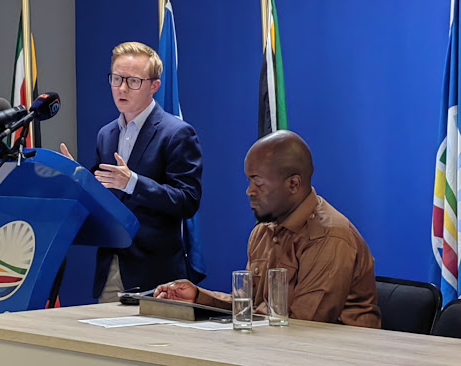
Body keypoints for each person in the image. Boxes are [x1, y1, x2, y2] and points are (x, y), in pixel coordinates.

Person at [155, 130, 380, 328]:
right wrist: (198, 297)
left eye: (258, 183)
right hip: (282, 352)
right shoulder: (263, 232)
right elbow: (252, 306)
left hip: (338, 363)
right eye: (249, 181)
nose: (249, 191)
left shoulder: (329, 237)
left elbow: (304, 325)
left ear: (293, 184)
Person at [61, 42, 203, 302]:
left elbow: (187, 201)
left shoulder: (177, 133)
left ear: (154, 86)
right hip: (111, 267)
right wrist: (77, 178)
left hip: (156, 275)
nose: (122, 88)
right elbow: (103, 195)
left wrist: (134, 183)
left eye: (133, 81)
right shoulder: (106, 134)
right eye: (116, 79)